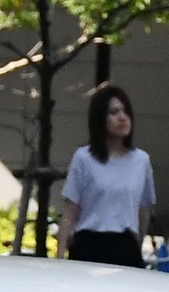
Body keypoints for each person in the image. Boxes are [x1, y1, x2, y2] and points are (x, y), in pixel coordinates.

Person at [56, 83, 155, 267]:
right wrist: (60, 259)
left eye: (126, 111)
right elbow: (69, 212)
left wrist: (137, 245)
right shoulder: (84, 158)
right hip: (89, 245)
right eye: (114, 112)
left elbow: (144, 210)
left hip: (125, 245)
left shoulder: (141, 161)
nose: (122, 118)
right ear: (100, 118)